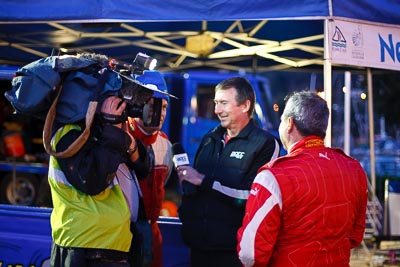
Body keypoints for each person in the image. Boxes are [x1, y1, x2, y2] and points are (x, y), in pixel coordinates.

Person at [237, 90, 369, 267]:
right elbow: (355, 236)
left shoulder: (273, 177)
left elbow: (250, 253)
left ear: (289, 123)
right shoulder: (354, 168)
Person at [48, 53, 151, 266]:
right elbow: (92, 181)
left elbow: (143, 167)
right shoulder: (69, 134)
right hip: (85, 246)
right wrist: (112, 128)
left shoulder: (103, 130)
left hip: (115, 242)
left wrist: (127, 141)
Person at [177, 77, 281, 267]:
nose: (217, 110)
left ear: (245, 105)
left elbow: (254, 197)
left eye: (224, 103)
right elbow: (199, 188)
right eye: (216, 103)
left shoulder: (264, 143)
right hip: (198, 248)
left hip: (233, 252)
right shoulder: (210, 139)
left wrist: (204, 181)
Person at [126, 70, 173, 267]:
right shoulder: (119, 136)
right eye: (155, 105)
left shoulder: (165, 145)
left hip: (151, 237)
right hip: (120, 235)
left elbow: (166, 180)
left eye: (164, 107)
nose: (160, 113)